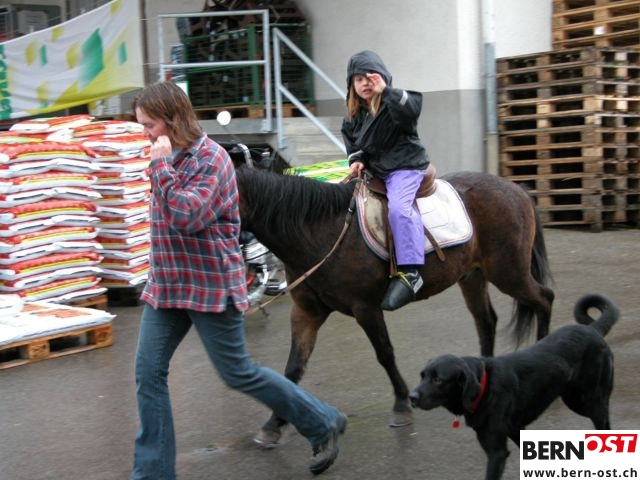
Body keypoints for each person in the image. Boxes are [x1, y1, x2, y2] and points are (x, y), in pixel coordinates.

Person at [130, 81, 347, 479]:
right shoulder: (168, 158)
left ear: (172, 119)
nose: (144, 133)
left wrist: (159, 169)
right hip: (168, 285)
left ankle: (323, 420)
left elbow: (187, 216)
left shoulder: (211, 160)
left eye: (149, 124)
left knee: (238, 372)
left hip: (209, 286)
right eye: (141, 125)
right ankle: (153, 472)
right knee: (148, 373)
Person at [341, 50, 430, 311]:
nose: (366, 83)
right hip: (375, 171)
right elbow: (354, 146)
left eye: (371, 77)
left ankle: (411, 272)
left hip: (404, 167)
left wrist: (387, 91)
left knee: (399, 210)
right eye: (359, 79)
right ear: (352, 86)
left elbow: (412, 110)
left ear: (383, 78)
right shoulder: (353, 116)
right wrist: (357, 160)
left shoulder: (395, 102)